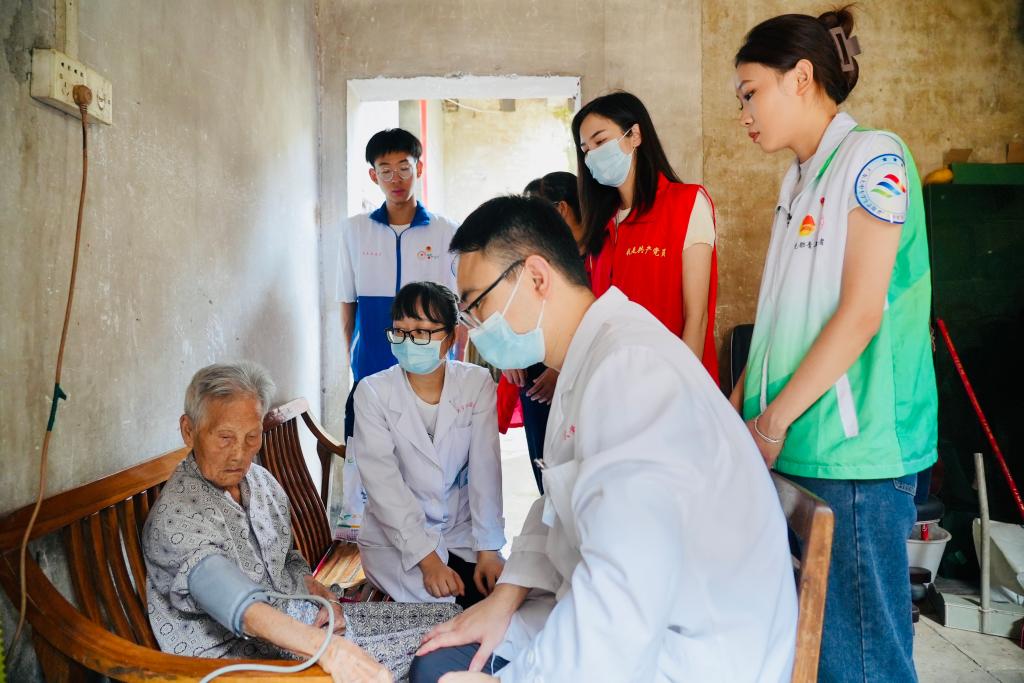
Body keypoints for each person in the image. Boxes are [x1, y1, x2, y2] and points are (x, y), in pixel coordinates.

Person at [408, 196, 797, 682]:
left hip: (686, 649)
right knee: (437, 658)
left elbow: (625, 589)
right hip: (629, 620)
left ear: (536, 277)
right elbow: (558, 505)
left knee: (440, 672)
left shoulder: (630, 370)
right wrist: (503, 599)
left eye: (476, 305)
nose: (476, 328)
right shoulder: (591, 358)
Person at [731, 8, 938, 682]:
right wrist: (736, 411)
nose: (744, 114)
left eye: (750, 93)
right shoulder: (797, 180)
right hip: (799, 441)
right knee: (819, 651)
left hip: (854, 454)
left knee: (863, 660)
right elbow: (776, 323)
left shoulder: (873, 158)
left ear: (801, 77)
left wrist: (771, 421)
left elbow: (860, 314)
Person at [143, 362, 460, 682]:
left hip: (306, 622)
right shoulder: (176, 518)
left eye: (251, 437)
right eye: (225, 437)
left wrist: (321, 595)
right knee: (440, 650)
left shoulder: (259, 482)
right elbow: (240, 606)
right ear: (189, 430)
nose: (239, 454)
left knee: (452, 620)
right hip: (249, 662)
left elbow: (287, 558)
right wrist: (330, 650)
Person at [351, 282, 506, 607]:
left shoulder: (476, 384)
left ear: (450, 336)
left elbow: (485, 471)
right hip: (395, 540)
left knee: (498, 595)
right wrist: (428, 560)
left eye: (421, 332)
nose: (409, 342)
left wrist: (488, 549)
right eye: (400, 332)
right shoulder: (372, 392)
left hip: (458, 530)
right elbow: (383, 486)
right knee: (443, 607)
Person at [573, 91, 719, 380]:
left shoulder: (686, 203)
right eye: (586, 149)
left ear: (635, 135)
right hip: (614, 382)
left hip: (673, 383)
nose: (592, 156)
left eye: (600, 142)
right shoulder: (600, 225)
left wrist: (679, 389)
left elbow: (697, 317)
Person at [337, 128, 463, 384]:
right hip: (371, 360)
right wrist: (348, 356)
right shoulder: (355, 230)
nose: (396, 179)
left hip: (431, 360)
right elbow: (347, 300)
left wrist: (459, 359)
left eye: (404, 168)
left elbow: (461, 305)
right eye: (386, 171)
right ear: (374, 176)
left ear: (419, 169)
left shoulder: (447, 231)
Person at [503, 172, 585, 493]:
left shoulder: (594, 253)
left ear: (561, 209)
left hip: (575, 374)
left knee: (577, 470)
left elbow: (591, 318)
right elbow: (512, 309)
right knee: (545, 468)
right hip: (535, 377)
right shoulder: (535, 257)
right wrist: (509, 354)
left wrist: (560, 368)